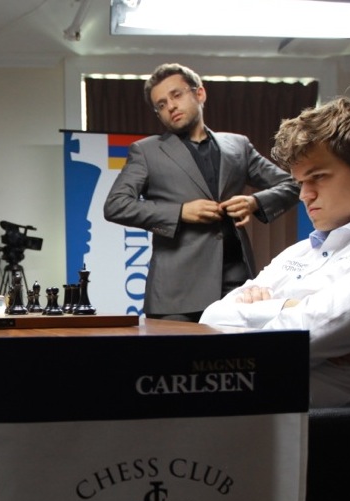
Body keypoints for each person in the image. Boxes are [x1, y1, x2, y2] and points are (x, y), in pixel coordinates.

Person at [199, 96, 350, 408]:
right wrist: (295, 307)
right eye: (300, 182)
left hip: (309, 429)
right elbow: (210, 320)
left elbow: (303, 335)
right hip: (239, 405)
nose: (305, 194)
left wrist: (282, 315)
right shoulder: (301, 250)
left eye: (317, 177)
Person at [104, 63, 300, 322]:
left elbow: (293, 184)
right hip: (175, 294)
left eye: (176, 95)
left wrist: (254, 202)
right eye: (161, 105)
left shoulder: (238, 146)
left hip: (237, 285)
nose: (170, 106)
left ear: (199, 94)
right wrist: (181, 212)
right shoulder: (146, 151)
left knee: (236, 362)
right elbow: (116, 204)